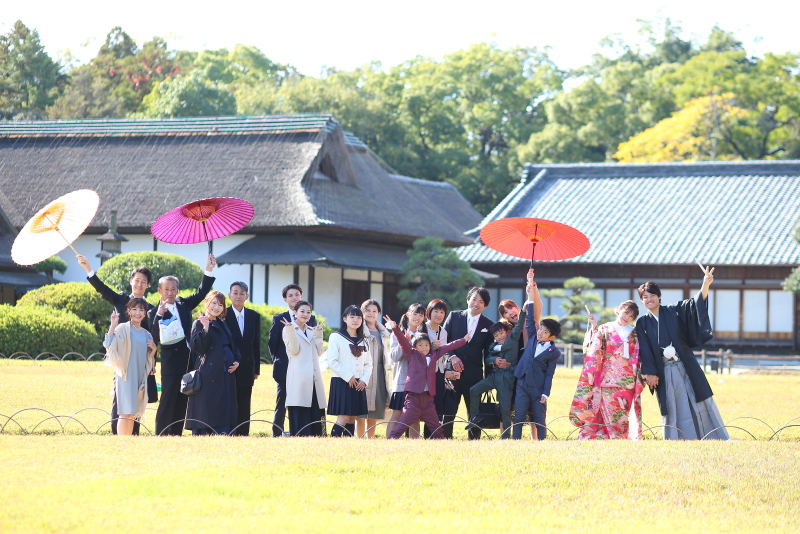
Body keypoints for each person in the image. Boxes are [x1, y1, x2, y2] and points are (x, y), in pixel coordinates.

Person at [635, 269, 728, 440]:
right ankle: (675, 437)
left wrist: (705, 284)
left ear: (659, 296)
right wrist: (649, 373)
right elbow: (644, 349)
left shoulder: (674, 311)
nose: (649, 300)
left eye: (652, 295)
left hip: (685, 364)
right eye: (645, 297)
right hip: (663, 370)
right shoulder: (642, 323)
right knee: (672, 403)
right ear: (641, 300)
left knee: (698, 396)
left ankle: (711, 435)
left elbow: (694, 304)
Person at [77, 254, 154, 436]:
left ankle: (133, 435)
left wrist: (152, 363)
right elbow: (102, 289)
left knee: (138, 398)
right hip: (122, 360)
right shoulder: (121, 300)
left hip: (140, 362)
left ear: (148, 285)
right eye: (137, 280)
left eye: (144, 282)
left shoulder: (150, 309)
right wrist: (88, 269)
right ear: (131, 281)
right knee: (120, 400)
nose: (140, 284)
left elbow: (152, 338)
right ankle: (116, 436)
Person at [148, 254, 216, 436]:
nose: (170, 293)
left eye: (173, 289)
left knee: (183, 396)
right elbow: (153, 336)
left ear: (177, 290)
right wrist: (159, 316)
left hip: (188, 360)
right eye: (167, 289)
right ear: (160, 291)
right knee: (168, 397)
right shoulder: (154, 311)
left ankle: (176, 433)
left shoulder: (184, 304)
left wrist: (208, 269)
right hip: (170, 362)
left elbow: (202, 292)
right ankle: (162, 433)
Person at [384, 315, 470, 439]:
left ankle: (443, 444)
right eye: (420, 345)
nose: (424, 347)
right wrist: (395, 328)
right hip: (413, 398)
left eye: (426, 345)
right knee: (401, 426)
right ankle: (390, 441)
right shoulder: (411, 354)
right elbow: (403, 342)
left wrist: (464, 340)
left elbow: (448, 347)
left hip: (428, 399)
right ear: (414, 346)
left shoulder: (434, 354)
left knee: (436, 427)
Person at [570, 301, 644, 440]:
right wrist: (594, 326)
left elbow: (639, 355)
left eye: (631, 316)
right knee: (607, 412)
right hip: (606, 380)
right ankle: (607, 438)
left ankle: (619, 438)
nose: (627, 317)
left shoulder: (634, 333)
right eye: (626, 312)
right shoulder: (605, 328)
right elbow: (592, 349)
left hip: (627, 382)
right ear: (618, 310)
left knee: (621, 414)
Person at [466, 302, 529, 438]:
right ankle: (475, 416)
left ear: (507, 332)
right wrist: (495, 361)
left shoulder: (513, 338)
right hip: (493, 377)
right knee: (474, 390)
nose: (499, 337)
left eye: (501, 333)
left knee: (505, 409)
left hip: (507, 378)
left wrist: (523, 310)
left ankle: (506, 436)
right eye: (496, 335)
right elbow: (487, 359)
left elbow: (518, 326)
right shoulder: (494, 345)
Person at [441, 287, 494, 440]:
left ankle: (474, 440)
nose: (476, 304)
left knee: (474, 411)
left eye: (481, 302)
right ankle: (445, 439)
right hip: (452, 372)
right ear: (467, 300)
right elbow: (443, 341)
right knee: (449, 408)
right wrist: (452, 357)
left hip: (474, 375)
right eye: (474, 299)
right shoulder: (454, 316)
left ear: (485, 306)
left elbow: (488, 354)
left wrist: (489, 380)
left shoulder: (488, 325)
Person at [186, 291, 240, 435]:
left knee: (225, 405)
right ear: (207, 303)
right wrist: (205, 328)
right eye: (214, 303)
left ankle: (224, 432)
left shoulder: (223, 324)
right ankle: (204, 432)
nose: (216, 307)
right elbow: (198, 347)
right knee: (208, 406)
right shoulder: (198, 322)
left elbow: (232, 346)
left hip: (225, 373)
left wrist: (236, 361)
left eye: (220, 304)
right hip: (208, 373)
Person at [102, 298, 157, 436]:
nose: (138, 312)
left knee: (132, 413)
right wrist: (113, 325)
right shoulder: (122, 328)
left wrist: (154, 350)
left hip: (139, 377)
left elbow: (149, 360)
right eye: (134, 309)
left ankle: (128, 442)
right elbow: (108, 345)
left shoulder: (146, 334)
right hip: (125, 375)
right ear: (129, 311)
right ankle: (122, 443)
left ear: (145, 313)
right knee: (124, 412)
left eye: (141, 310)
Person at [269, 284, 317, 437]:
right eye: (290, 295)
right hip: (285, 369)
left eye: (297, 294)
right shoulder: (278, 319)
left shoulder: (311, 318)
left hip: (305, 370)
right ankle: (277, 434)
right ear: (285, 299)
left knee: (302, 402)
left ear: (301, 296)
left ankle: (300, 432)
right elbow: (273, 344)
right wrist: (281, 362)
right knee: (282, 402)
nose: (294, 297)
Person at [512, 315, 561, 440]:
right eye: (540, 329)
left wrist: (545, 393)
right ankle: (515, 441)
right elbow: (529, 323)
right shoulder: (533, 337)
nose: (540, 333)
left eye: (545, 332)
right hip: (522, 383)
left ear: (552, 337)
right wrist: (530, 301)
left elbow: (549, 373)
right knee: (519, 415)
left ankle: (541, 441)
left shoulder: (554, 352)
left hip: (538, 388)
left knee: (539, 417)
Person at [282, 300, 326, 437]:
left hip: (314, 378)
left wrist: (319, 335)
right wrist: (291, 331)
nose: (305, 314)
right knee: (300, 409)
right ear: (295, 313)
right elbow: (294, 351)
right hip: (299, 378)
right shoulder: (288, 329)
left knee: (314, 410)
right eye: (302, 311)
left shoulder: (312, 331)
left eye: (308, 312)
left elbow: (320, 352)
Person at [326, 305, 372, 437]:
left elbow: (369, 363)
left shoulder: (365, 340)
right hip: (342, 381)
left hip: (359, 383)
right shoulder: (336, 337)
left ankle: (348, 443)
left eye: (359, 317)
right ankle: (333, 442)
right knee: (344, 416)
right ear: (345, 319)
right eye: (352, 317)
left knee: (352, 416)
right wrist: (349, 376)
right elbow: (332, 361)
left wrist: (364, 379)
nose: (355, 320)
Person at [224, 282, 261, 436]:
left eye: (242, 293)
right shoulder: (223, 314)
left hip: (247, 367)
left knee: (245, 402)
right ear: (229, 295)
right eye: (235, 292)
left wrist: (256, 369)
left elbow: (256, 344)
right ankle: (229, 432)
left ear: (247, 296)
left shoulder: (254, 316)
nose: (238, 296)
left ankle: (243, 433)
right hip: (229, 366)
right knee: (229, 401)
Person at [387, 303, 426, 438]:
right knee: (397, 414)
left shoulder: (422, 336)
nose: (418, 317)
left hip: (417, 383)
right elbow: (393, 356)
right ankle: (388, 442)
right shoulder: (397, 332)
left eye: (421, 315)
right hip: (402, 382)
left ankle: (413, 446)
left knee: (415, 417)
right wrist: (405, 340)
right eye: (415, 314)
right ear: (408, 315)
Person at [355, 299, 391, 439]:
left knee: (375, 410)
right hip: (363, 373)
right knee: (361, 411)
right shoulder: (358, 329)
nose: (371, 313)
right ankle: (359, 439)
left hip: (380, 374)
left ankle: (370, 440)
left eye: (374, 311)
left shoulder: (382, 331)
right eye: (367, 310)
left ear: (379, 313)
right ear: (362, 312)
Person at [422, 299, 457, 439]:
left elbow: (444, 352)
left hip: (439, 373)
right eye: (436, 311)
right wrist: (431, 347)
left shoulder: (443, 331)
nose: (439, 315)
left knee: (436, 408)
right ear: (429, 312)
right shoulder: (422, 328)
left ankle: (432, 437)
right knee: (422, 406)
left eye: (442, 312)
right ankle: (420, 436)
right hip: (424, 373)